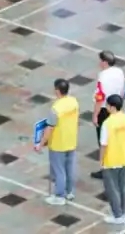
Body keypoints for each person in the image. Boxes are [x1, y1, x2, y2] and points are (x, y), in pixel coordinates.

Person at [35, 78, 78, 206]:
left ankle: (59, 196)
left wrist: (41, 144)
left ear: (57, 91)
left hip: (58, 143)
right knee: (69, 168)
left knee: (59, 171)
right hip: (71, 140)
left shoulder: (56, 108)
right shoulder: (74, 102)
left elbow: (50, 128)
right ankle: (69, 192)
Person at [92, 51, 125, 180]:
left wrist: (95, 115)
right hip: (116, 107)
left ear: (105, 62)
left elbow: (99, 98)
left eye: (101, 60)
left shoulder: (103, 77)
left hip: (104, 110)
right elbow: (122, 91)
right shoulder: (119, 72)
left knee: (103, 140)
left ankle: (105, 168)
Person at [99, 94, 125, 225]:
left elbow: (103, 144)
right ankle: (124, 212)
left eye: (107, 105)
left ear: (112, 107)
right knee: (122, 187)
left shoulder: (107, 123)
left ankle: (117, 215)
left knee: (112, 189)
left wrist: (101, 160)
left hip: (110, 159)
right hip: (123, 157)